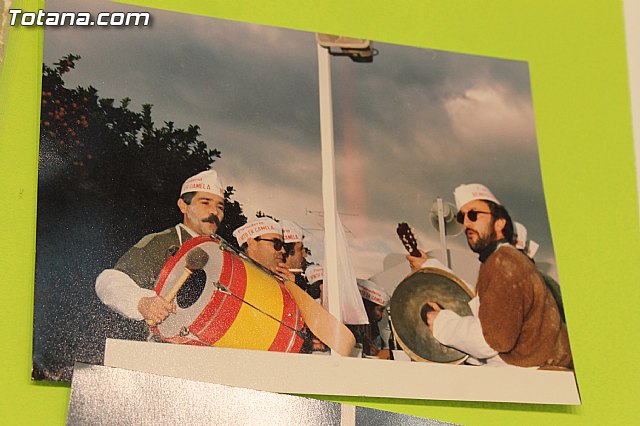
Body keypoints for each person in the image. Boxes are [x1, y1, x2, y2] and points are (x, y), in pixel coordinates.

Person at [407, 183, 572, 368]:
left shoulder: (503, 262)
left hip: (531, 380)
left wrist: (440, 322)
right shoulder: (503, 261)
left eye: (474, 215)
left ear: (500, 222)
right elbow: (486, 306)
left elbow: (489, 342)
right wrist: (429, 265)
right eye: (462, 217)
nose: (467, 223)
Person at [95, 169, 225, 326]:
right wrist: (142, 302)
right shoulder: (161, 242)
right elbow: (108, 281)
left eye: (220, 207)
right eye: (205, 202)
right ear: (183, 206)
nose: (214, 211)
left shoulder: (224, 255)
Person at [232, 218, 295, 282]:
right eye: (277, 244)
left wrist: (289, 288)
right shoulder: (234, 272)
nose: (283, 250)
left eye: (283, 245)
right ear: (252, 244)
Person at [352, 278, 390, 357]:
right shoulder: (350, 324)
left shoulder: (373, 327)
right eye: (380, 310)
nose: (382, 315)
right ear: (368, 307)